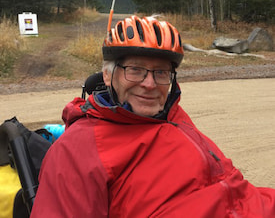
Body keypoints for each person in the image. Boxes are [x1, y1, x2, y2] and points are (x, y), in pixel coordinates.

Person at [31, 15, 275, 217]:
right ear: (108, 75)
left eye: (160, 72)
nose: (149, 84)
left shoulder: (173, 114)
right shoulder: (77, 150)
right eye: (135, 70)